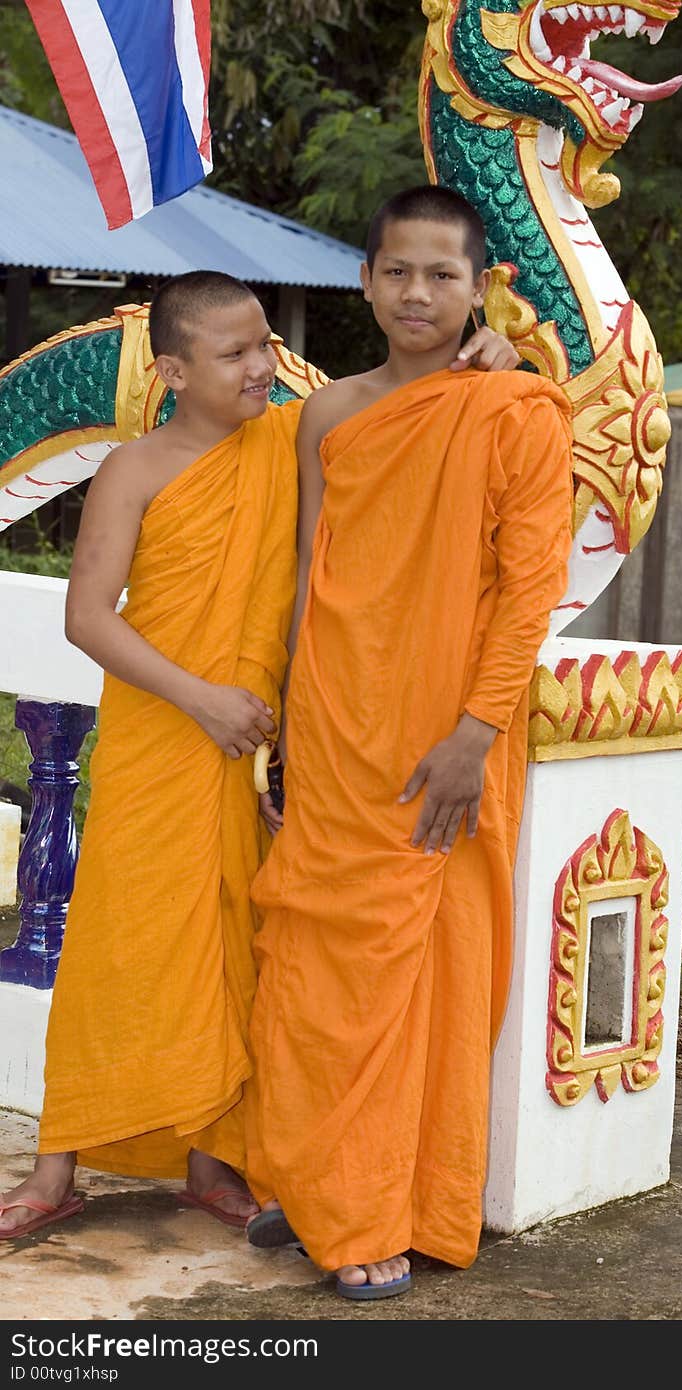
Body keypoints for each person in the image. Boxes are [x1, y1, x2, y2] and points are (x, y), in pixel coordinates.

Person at [0, 268, 519, 1239]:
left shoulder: (294, 441)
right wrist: (199, 700)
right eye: (234, 353)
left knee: (243, 948)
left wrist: (487, 355)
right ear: (171, 369)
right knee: (121, 945)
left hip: (267, 740)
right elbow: (84, 618)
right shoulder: (136, 469)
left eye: (264, 346)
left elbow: (399, 406)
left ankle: (210, 1160)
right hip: (166, 732)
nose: (262, 366)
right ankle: (55, 1166)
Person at [243, 185, 574, 1298]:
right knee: (311, 957)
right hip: (336, 725)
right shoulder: (330, 413)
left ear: (478, 287)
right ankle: (320, 1176)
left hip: (448, 732)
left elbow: (532, 589)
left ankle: (390, 1203)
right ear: (365, 281)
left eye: (442, 274)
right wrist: (288, 717)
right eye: (397, 271)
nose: (417, 293)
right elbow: (307, 572)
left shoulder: (514, 410)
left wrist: (476, 730)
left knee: (425, 972)